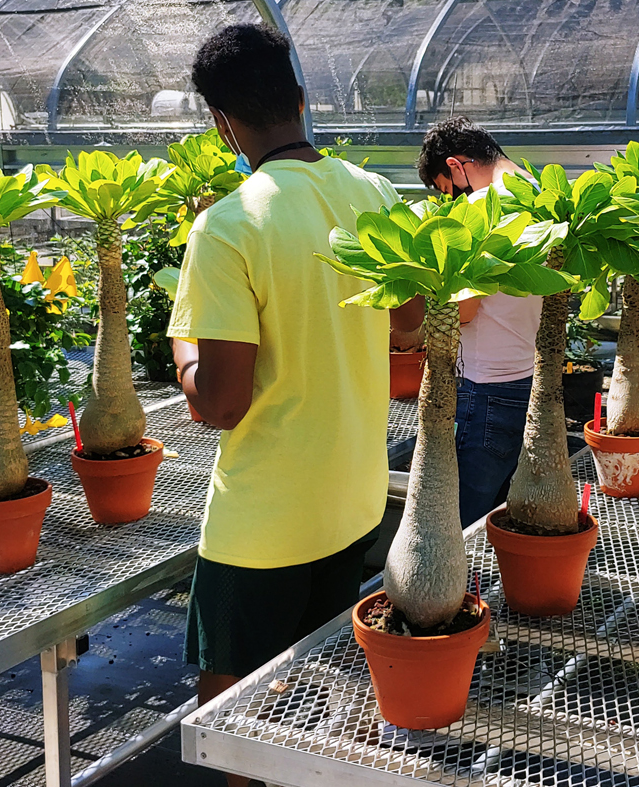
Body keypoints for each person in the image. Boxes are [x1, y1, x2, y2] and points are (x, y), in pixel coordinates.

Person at [169, 25, 421, 784]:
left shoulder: (229, 225)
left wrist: (183, 358)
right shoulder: (372, 192)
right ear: (302, 101)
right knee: (315, 687)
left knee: (230, 718)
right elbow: (408, 323)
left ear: (221, 123)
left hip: (263, 522)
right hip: (350, 499)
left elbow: (221, 404)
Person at [416, 117, 542, 527]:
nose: (449, 200)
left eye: (445, 189)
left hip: (484, 388)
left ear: (456, 166)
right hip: (527, 378)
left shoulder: (478, 208)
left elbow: (465, 311)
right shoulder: (535, 193)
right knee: (502, 515)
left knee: (460, 520)